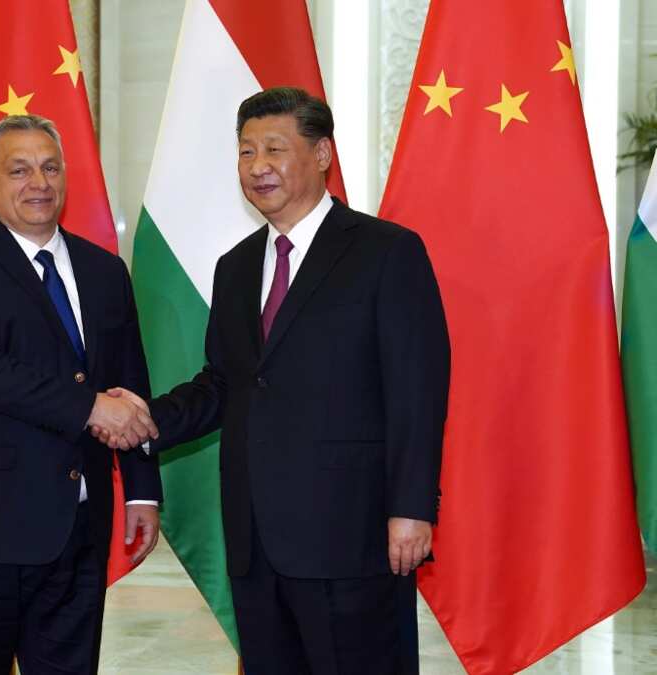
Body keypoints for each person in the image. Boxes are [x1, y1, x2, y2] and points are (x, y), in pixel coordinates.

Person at [95, 87, 450, 674]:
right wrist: (146, 419)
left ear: (322, 154)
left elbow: (418, 391)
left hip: (351, 536)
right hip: (257, 542)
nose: (258, 166)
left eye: (275, 149)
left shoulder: (387, 252)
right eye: (245, 151)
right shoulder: (235, 267)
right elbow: (224, 384)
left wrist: (411, 508)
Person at [0, 114, 162, 675]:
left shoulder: (105, 271)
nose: (37, 183)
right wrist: (91, 406)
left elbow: (129, 381)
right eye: (18, 170)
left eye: (49, 167)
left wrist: (142, 489)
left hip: (79, 526)